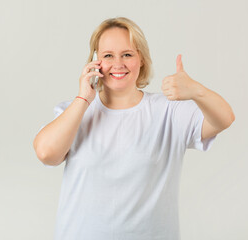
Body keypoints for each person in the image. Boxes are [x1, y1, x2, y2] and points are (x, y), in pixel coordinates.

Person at [33, 17, 235, 240]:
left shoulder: (168, 111)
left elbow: (224, 119)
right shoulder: (76, 112)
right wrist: (84, 97)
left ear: (141, 60)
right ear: (94, 61)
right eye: (108, 55)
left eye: (127, 54)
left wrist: (197, 91)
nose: (118, 63)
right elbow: (46, 154)